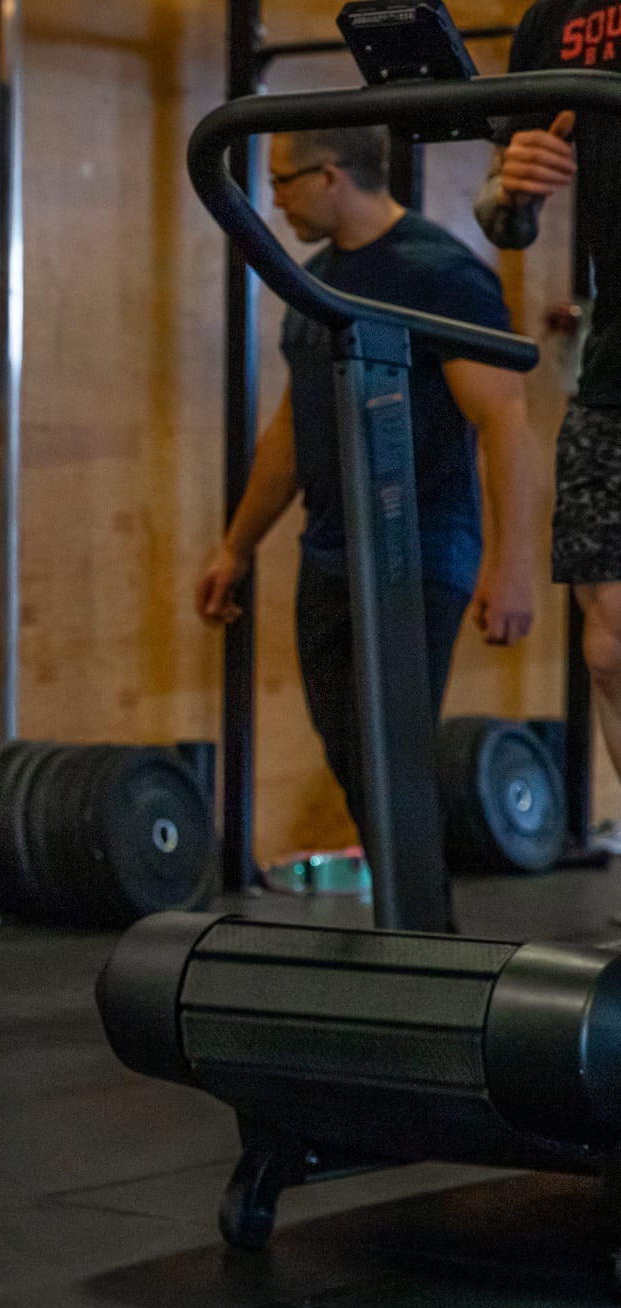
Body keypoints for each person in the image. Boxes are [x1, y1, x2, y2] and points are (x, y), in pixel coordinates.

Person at [195, 126, 543, 829]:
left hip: (420, 549)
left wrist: (511, 567)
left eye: (284, 180)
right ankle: (409, 922)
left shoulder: (440, 272)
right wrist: (236, 546)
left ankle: (423, 930)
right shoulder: (312, 277)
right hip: (329, 551)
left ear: (331, 177)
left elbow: (504, 419)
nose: (274, 198)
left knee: (393, 759)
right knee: (353, 753)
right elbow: (293, 432)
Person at [475, 1, 621, 850]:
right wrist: (514, 189)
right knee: (608, 653)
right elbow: (502, 210)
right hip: (613, 367)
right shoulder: (556, 18)